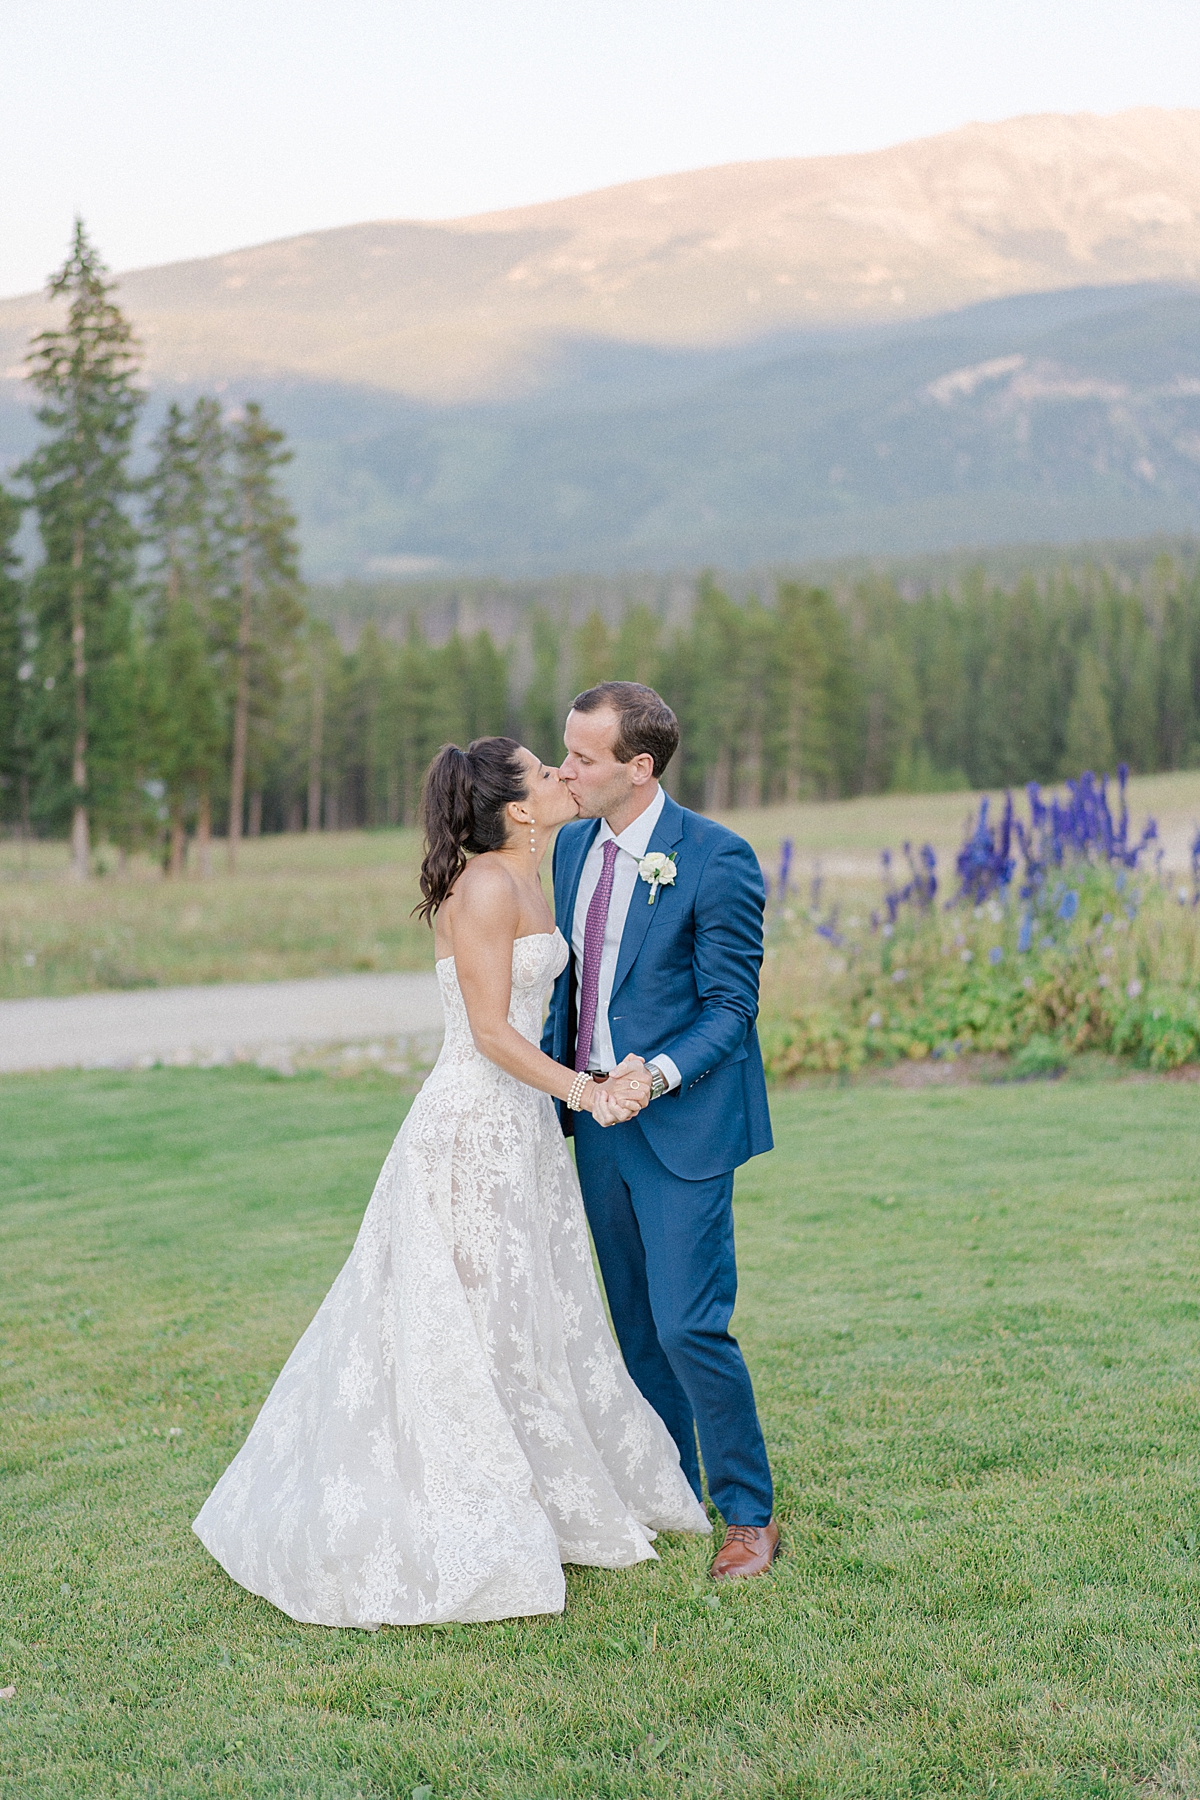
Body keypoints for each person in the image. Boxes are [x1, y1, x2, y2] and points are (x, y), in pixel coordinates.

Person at [193, 737, 708, 1629]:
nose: (561, 777)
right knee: (469, 1313)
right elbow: (490, 1034)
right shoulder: (482, 888)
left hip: (524, 1130)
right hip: (472, 1125)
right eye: (547, 773)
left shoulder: (541, 871)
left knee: (529, 1305)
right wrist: (585, 1092)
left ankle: (547, 1480)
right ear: (516, 807)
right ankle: (470, 1498)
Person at [542, 682, 778, 1579]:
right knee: (634, 1325)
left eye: (584, 757)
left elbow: (731, 1008)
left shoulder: (716, 859)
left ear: (639, 769)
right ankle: (671, 1488)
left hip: (681, 1125)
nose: (566, 769)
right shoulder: (568, 850)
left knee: (689, 1326)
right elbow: (571, 987)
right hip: (594, 1124)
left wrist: (658, 1072)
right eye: (566, 750)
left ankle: (749, 1514)